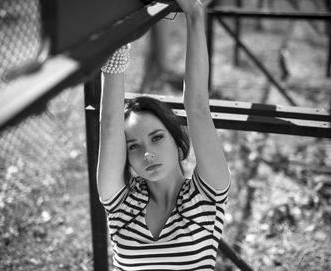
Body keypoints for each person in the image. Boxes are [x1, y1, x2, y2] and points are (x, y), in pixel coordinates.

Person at [97, 0, 231, 270]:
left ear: (178, 144)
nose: (146, 153)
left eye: (157, 137)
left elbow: (197, 108)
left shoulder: (207, 198)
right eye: (133, 146)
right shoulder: (121, 204)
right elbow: (110, 124)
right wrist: (119, 38)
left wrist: (194, 13)